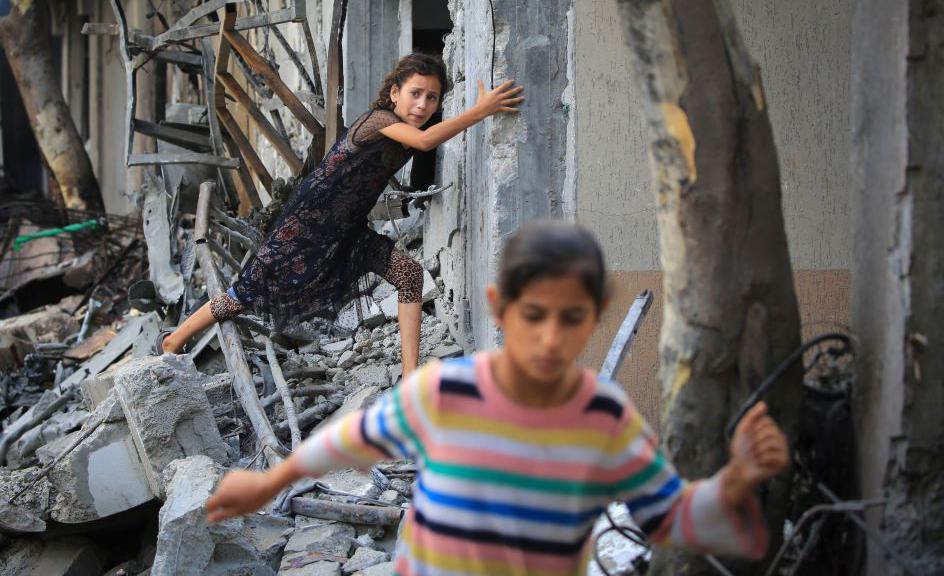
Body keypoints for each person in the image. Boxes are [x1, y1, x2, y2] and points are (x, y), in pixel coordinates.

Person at [205, 221, 790, 575]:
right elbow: (351, 439)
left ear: (596, 316)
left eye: (572, 318)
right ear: (499, 307)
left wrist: (737, 478)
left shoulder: (606, 421)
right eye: (534, 316)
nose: (551, 338)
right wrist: (271, 481)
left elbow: (669, 516)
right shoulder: (446, 393)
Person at [160, 53, 525, 379]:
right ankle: (174, 340)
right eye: (415, 93)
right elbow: (427, 141)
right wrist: (480, 110)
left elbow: (422, 140)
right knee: (247, 291)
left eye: (432, 97)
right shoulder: (378, 121)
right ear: (394, 93)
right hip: (306, 224)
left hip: (347, 230)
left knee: (409, 275)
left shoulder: (404, 129)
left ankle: (411, 376)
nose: (423, 105)